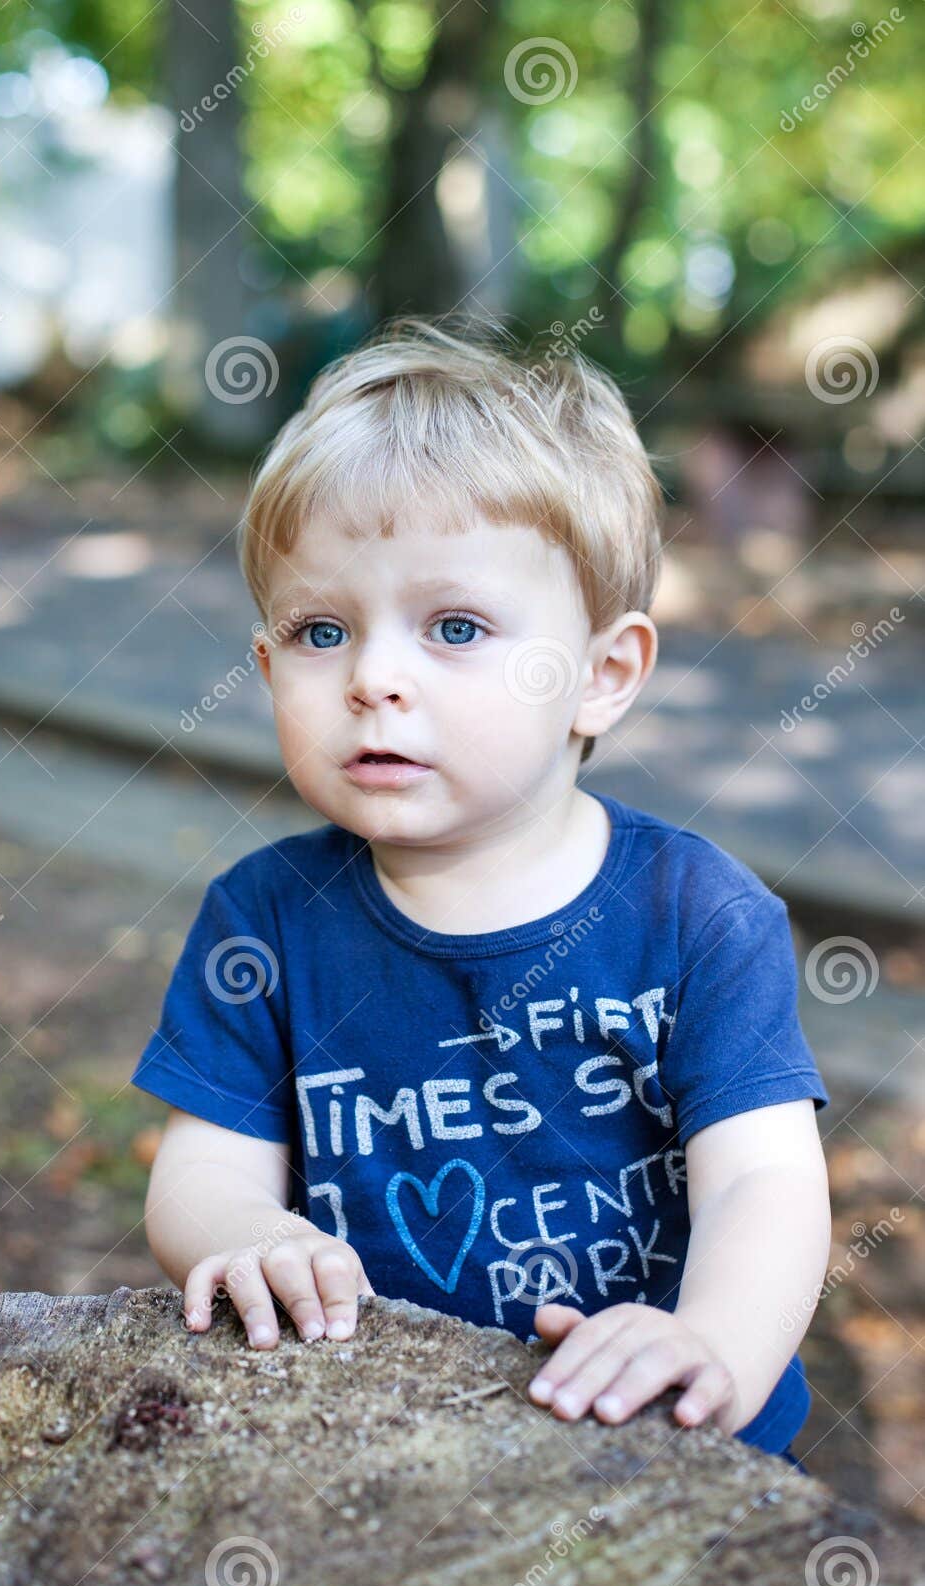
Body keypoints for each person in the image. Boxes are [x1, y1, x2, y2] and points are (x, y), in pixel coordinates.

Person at [131, 318, 831, 1470]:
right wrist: (247, 1232)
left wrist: (710, 1341)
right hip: (370, 1449)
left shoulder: (696, 916)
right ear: (265, 668)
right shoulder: (261, 919)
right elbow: (203, 1166)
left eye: (455, 626)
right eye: (320, 631)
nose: (373, 680)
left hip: (654, 1448)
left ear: (599, 677)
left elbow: (761, 1177)